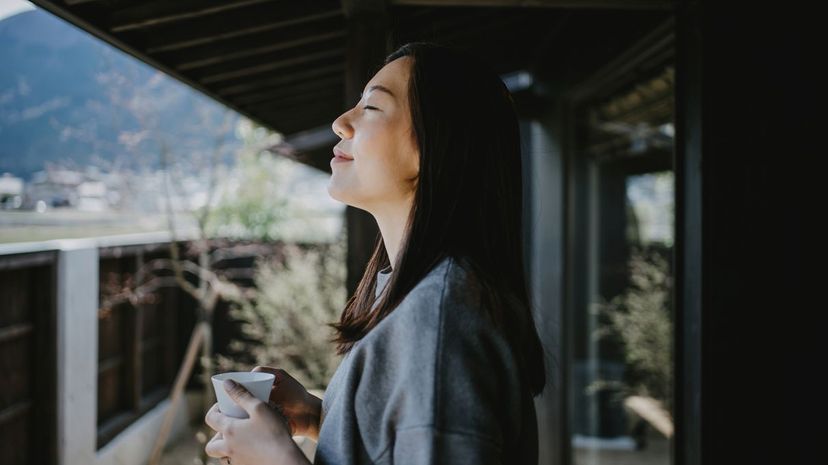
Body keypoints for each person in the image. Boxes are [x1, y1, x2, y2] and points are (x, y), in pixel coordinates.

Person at [204, 41, 548, 465]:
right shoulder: (424, 296)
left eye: (371, 108)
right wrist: (320, 417)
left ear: (434, 143)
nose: (340, 123)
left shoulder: (437, 320)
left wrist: (278, 458)